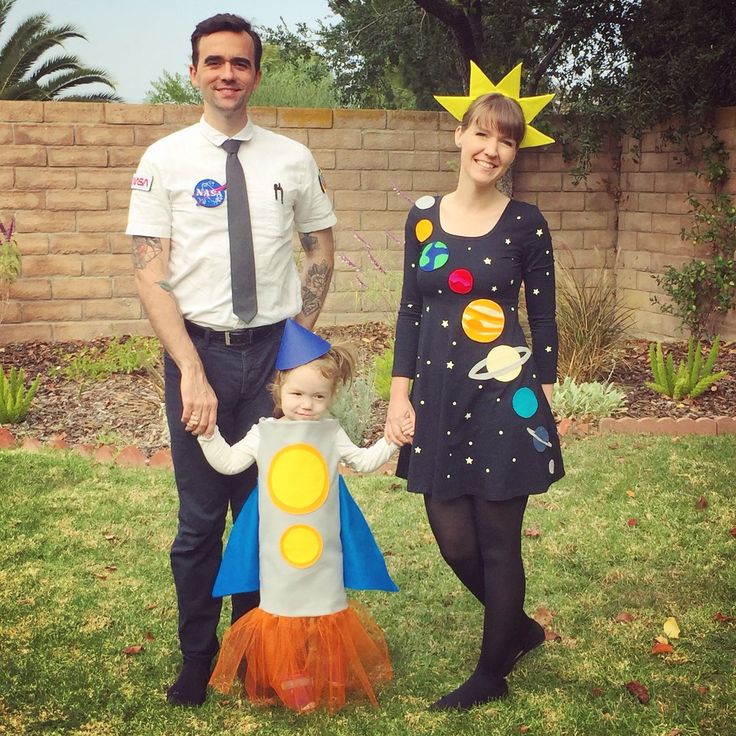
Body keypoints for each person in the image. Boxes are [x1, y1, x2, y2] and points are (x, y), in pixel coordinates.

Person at [126, 13, 336, 707]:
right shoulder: (165, 160)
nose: (226, 73)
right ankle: (196, 658)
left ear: (255, 73)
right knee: (199, 522)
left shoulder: (291, 159)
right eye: (212, 62)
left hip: (270, 356)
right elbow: (149, 274)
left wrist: (296, 349)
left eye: (239, 63)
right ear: (194, 72)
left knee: (266, 516)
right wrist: (190, 368)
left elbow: (321, 250)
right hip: (201, 354)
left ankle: (256, 657)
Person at [384, 68, 565, 710]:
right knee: (449, 531)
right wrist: (398, 396)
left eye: (506, 141)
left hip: (503, 394)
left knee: (496, 535)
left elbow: (541, 315)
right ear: (459, 135)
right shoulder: (423, 219)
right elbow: (410, 310)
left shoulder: (526, 222)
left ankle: (491, 673)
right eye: (482, 133)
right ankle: (515, 628)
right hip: (436, 395)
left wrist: (543, 395)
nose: (491, 148)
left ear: (516, 152)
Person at [197, 319, 401, 712]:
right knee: (285, 610)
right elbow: (229, 463)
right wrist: (209, 435)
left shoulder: (330, 431)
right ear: (278, 389)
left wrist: (391, 440)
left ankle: (324, 671)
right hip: (279, 547)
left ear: (331, 396)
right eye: (297, 393)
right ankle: (292, 679)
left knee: (323, 607)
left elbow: (362, 460)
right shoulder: (264, 433)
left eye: (318, 397)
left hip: (323, 546)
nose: (307, 405)